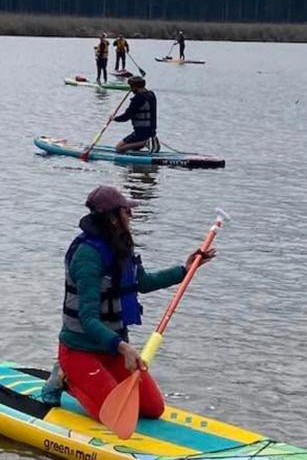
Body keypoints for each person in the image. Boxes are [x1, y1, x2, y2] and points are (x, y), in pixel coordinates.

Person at [40, 185, 214, 416]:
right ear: (113, 218)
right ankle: (65, 376)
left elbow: (142, 283)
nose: (131, 216)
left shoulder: (121, 246)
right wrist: (125, 349)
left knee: (153, 408)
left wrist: (185, 270)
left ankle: (96, 378)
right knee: (118, 414)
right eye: (126, 212)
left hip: (111, 350)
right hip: (79, 348)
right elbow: (88, 319)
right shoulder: (87, 257)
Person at [113, 76, 157, 153]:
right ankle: (147, 142)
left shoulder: (138, 99)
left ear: (135, 87)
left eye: (131, 87)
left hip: (141, 132)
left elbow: (126, 117)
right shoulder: (151, 95)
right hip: (151, 131)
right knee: (132, 149)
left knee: (118, 148)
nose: (130, 89)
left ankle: (146, 143)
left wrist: (114, 118)